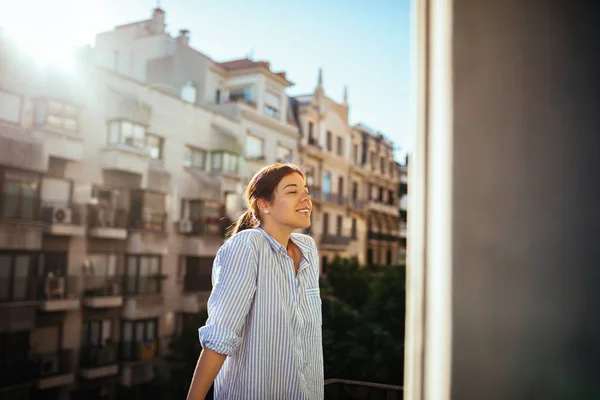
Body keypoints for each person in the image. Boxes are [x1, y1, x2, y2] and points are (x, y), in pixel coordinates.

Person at [187, 163, 323, 400]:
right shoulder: (247, 246)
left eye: (306, 191)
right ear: (264, 205)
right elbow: (220, 336)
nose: (306, 199)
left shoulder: (308, 250)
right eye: (292, 191)